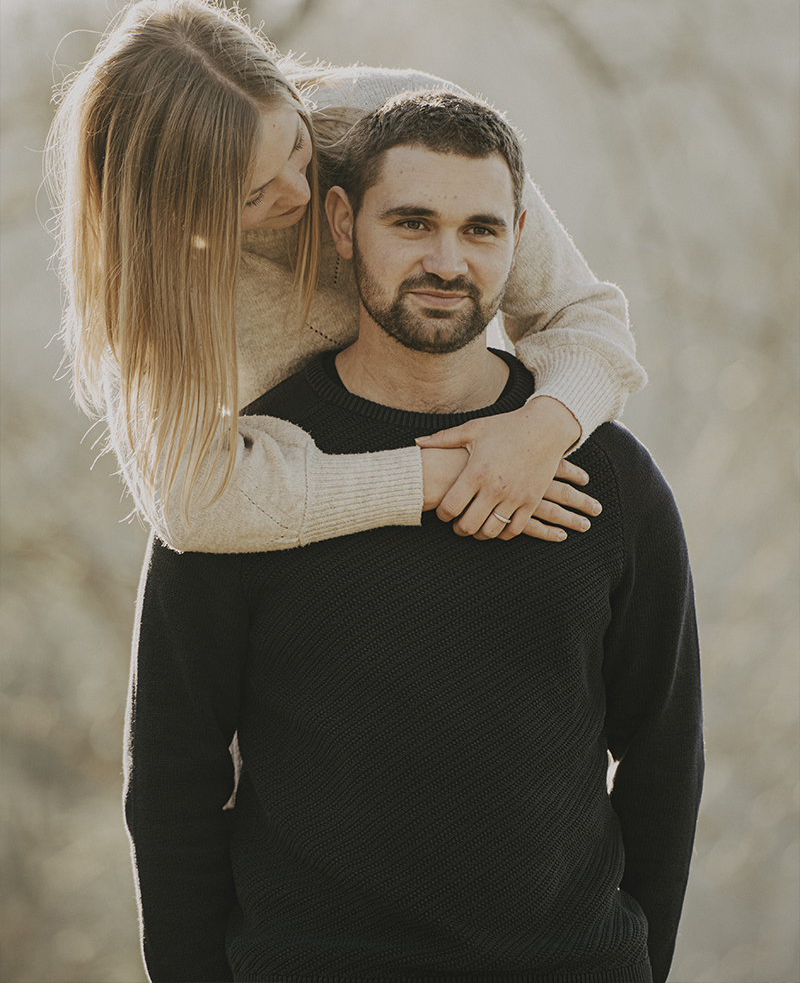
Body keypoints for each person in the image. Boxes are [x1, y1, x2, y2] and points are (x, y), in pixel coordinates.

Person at [125, 91, 703, 983]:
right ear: (343, 223)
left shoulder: (610, 478)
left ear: (518, 236)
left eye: (479, 231)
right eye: (413, 222)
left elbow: (665, 758)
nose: (447, 260)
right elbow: (172, 778)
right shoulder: (245, 474)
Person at [47, 0, 646, 553]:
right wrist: (430, 476)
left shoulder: (402, 133)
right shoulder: (154, 282)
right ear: (173, 209)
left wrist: (541, 430)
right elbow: (188, 499)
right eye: (253, 194)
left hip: (491, 495)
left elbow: (582, 315)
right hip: (321, 544)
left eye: (294, 147)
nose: (295, 190)